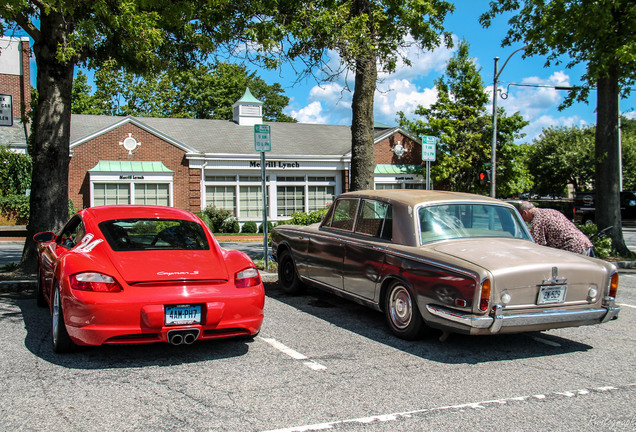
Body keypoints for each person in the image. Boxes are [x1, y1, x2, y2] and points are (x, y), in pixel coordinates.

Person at [518, 201, 594, 256]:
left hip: (572, 249)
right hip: (584, 242)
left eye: (522, 217)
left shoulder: (537, 220)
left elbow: (538, 246)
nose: (523, 220)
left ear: (525, 212)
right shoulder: (550, 211)